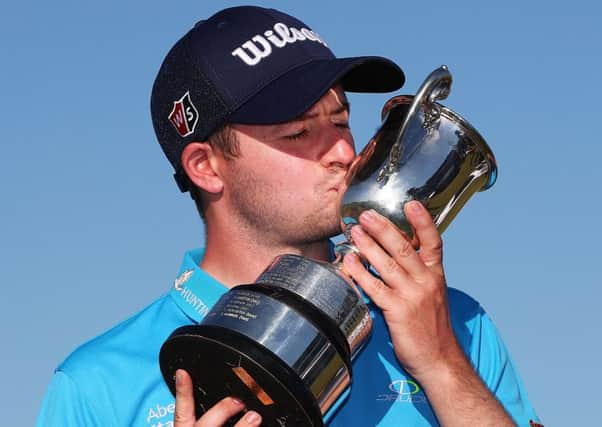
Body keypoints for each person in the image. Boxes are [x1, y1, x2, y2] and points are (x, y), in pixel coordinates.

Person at [36, 6, 542, 427]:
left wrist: (443, 365)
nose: (344, 150)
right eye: (299, 133)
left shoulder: (455, 325)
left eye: (341, 119)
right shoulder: (95, 385)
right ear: (206, 167)